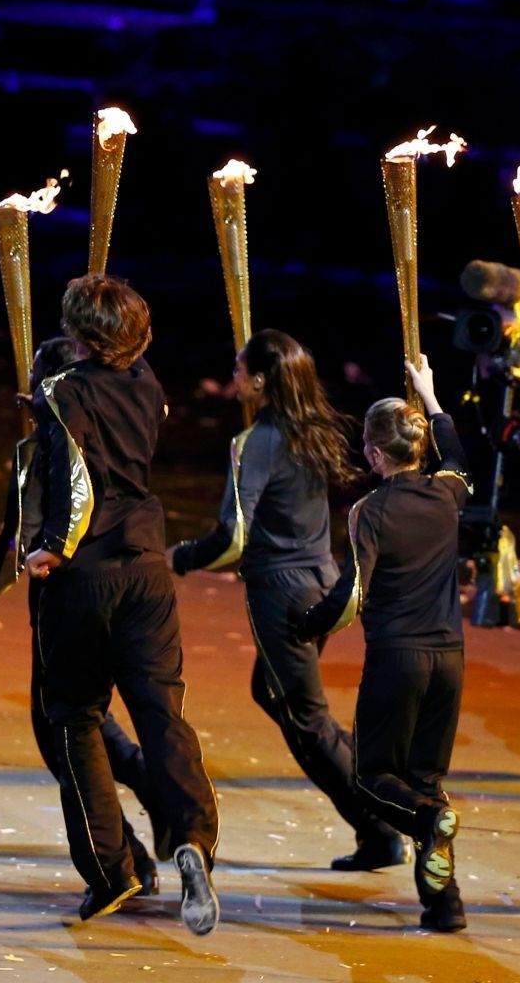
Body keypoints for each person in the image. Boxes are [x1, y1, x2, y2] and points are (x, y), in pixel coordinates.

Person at [22, 274, 220, 934]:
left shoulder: (62, 393)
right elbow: (122, 350)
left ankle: (112, 868)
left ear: (76, 340)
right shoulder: (150, 387)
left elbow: (75, 483)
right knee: (163, 715)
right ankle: (194, 835)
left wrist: (52, 546)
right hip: (149, 569)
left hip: (87, 576)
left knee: (75, 719)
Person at [171, 329, 409, 872]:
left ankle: (381, 826)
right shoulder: (314, 429)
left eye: (239, 369)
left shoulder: (255, 441)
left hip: (284, 594)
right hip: (322, 581)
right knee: (272, 692)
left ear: (259, 381)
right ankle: (378, 814)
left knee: (308, 720)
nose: (233, 377)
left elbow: (232, 537)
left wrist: (182, 557)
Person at [0, 335, 163, 895]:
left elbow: (18, 541)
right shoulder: (125, 423)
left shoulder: (42, 454)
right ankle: (144, 826)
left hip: (69, 600)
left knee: (65, 733)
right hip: (135, 583)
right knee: (93, 721)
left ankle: (118, 861)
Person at [299, 356, 471, 933]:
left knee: (375, 780)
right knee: (426, 779)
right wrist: (433, 396)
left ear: (374, 455)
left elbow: (352, 594)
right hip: (449, 657)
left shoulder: (369, 510)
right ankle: (444, 906)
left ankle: (425, 823)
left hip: (399, 656)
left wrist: (308, 624)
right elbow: (459, 455)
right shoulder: (448, 494)